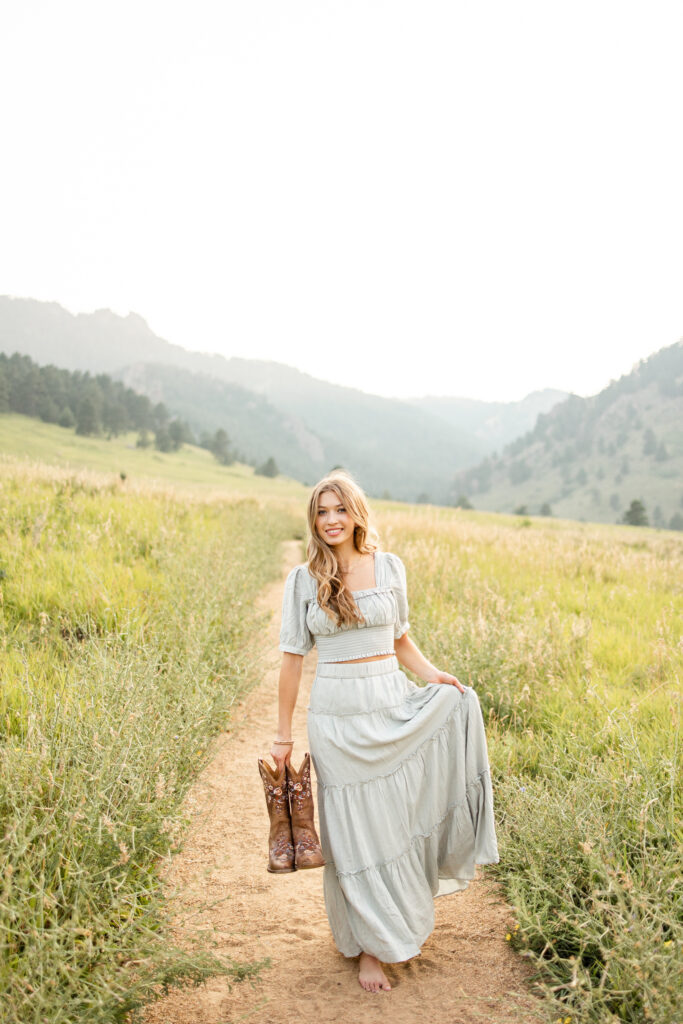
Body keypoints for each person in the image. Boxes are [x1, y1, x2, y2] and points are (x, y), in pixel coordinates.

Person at [270, 470, 499, 994]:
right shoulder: (303, 580)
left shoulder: (389, 566)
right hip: (336, 715)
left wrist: (435, 677)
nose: (330, 521)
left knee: (393, 822)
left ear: (356, 514)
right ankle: (369, 947)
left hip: (388, 702)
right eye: (321, 512)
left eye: (339, 510)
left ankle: (394, 918)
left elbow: (400, 641)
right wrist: (282, 736)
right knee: (352, 831)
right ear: (314, 520)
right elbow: (289, 662)